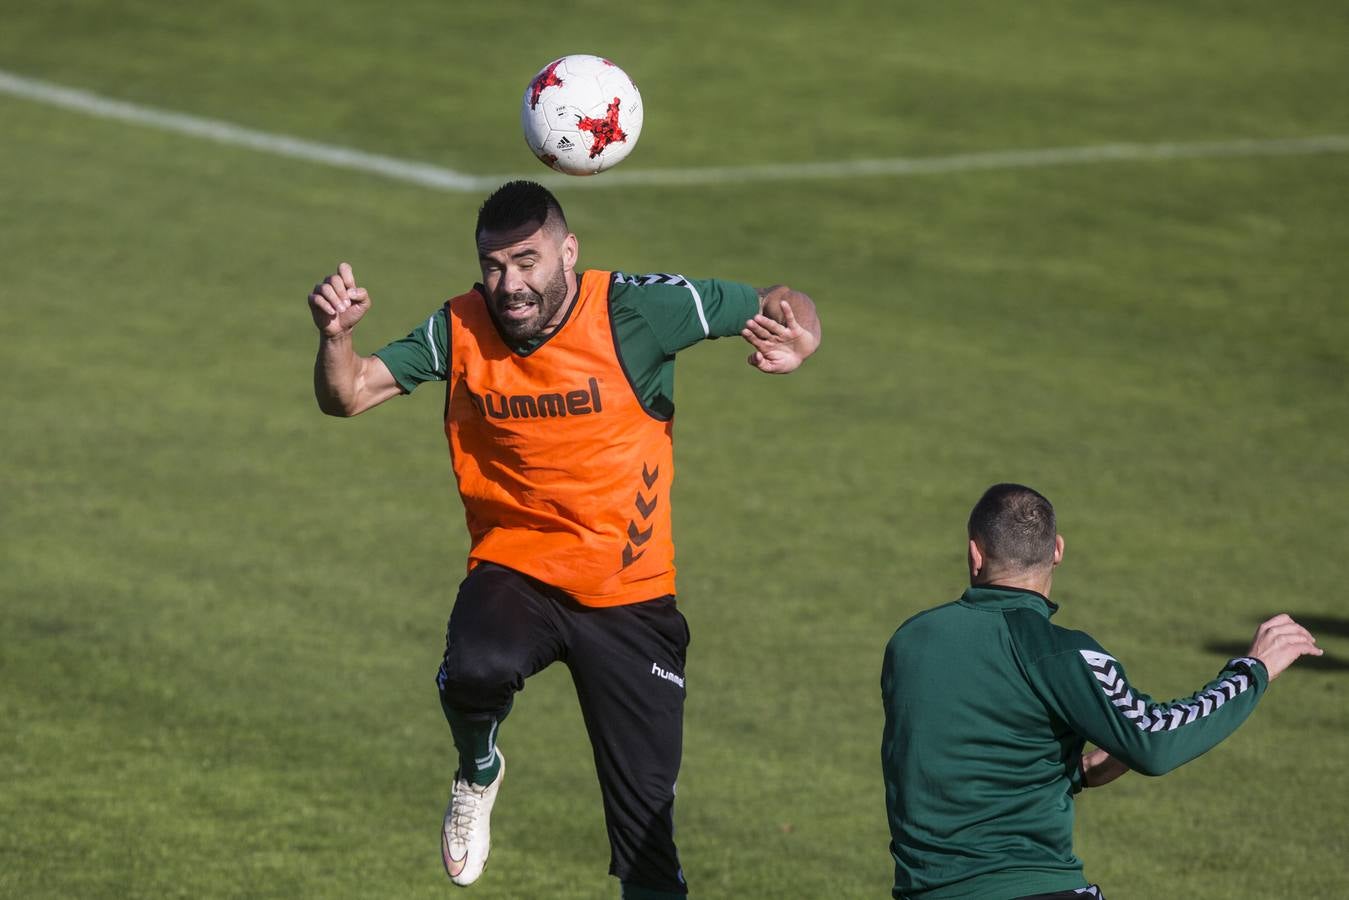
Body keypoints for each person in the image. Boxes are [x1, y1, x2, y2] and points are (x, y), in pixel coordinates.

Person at [306, 180, 820, 898]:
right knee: (476, 666)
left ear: (568, 252)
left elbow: (775, 299)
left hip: (630, 598)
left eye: (528, 261)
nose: (509, 285)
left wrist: (801, 334)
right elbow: (350, 394)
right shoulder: (458, 327)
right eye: (493, 266)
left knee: (646, 841)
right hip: (516, 567)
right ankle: (477, 770)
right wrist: (337, 338)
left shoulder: (637, 309)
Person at [880, 483, 1321, 900]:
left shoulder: (909, 641)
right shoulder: (1058, 653)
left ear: (975, 554)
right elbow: (1154, 742)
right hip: (1037, 886)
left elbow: (955, 751)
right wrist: (1252, 670)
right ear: (1058, 551)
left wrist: (1078, 771)